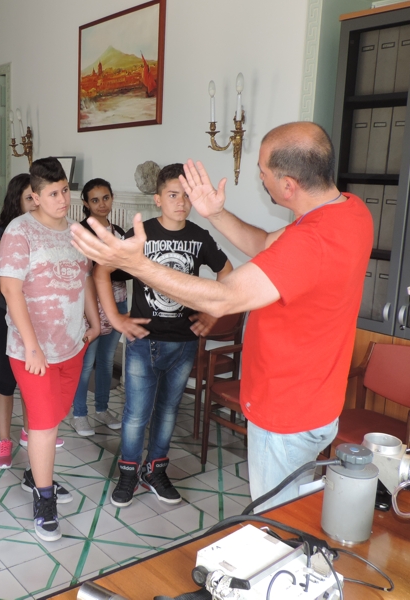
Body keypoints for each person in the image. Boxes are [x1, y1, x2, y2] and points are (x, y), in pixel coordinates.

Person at [71, 122, 374, 511]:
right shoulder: (348, 210)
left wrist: (138, 265)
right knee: (293, 510)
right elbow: (265, 244)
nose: (259, 177)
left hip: (286, 411)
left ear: (288, 185)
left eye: (263, 171)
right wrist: (216, 213)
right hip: (314, 401)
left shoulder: (311, 241)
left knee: (277, 518)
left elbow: (225, 297)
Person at [96, 164, 232, 507]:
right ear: (158, 199)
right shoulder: (141, 234)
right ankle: (128, 472)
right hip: (144, 341)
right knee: (136, 414)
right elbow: (101, 271)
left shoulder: (199, 237)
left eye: (186, 196)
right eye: (173, 195)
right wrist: (115, 318)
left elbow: (227, 272)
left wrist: (211, 313)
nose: (180, 202)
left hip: (184, 342)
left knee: (168, 411)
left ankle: (155, 470)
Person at [0, 158, 100, 541]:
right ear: (36, 196)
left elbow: (85, 278)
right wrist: (32, 347)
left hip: (71, 344)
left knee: (53, 420)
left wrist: (94, 322)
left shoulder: (77, 232)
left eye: (64, 190)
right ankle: (44, 499)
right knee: (42, 424)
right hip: (32, 350)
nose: (62, 199)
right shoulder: (20, 231)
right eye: (53, 193)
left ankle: (34, 475)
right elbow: (10, 290)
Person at [71, 178, 128, 436]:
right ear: (85, 203)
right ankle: (79, 413)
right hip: (90, 305)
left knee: (106, 360)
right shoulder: (80, 232)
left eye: (105, 198)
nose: (101, 204)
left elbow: (128, 270)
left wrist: (110, 268)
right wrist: (113, 266)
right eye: (95, 200)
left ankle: (102, 409)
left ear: (112, 198)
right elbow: (86, 272)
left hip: (118, 301)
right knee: (86, 362)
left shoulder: (119, 231)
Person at [0, 174, 35, 468]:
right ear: (16, 200)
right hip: (9, 317)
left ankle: (31, 431)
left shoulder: (44, 231)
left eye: (37, 197)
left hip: (38, 319)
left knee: (33, 380)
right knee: (8, 380)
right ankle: (4, 440)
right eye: (29, 198)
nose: (35, 203)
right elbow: (6, 282)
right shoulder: (3, 234)